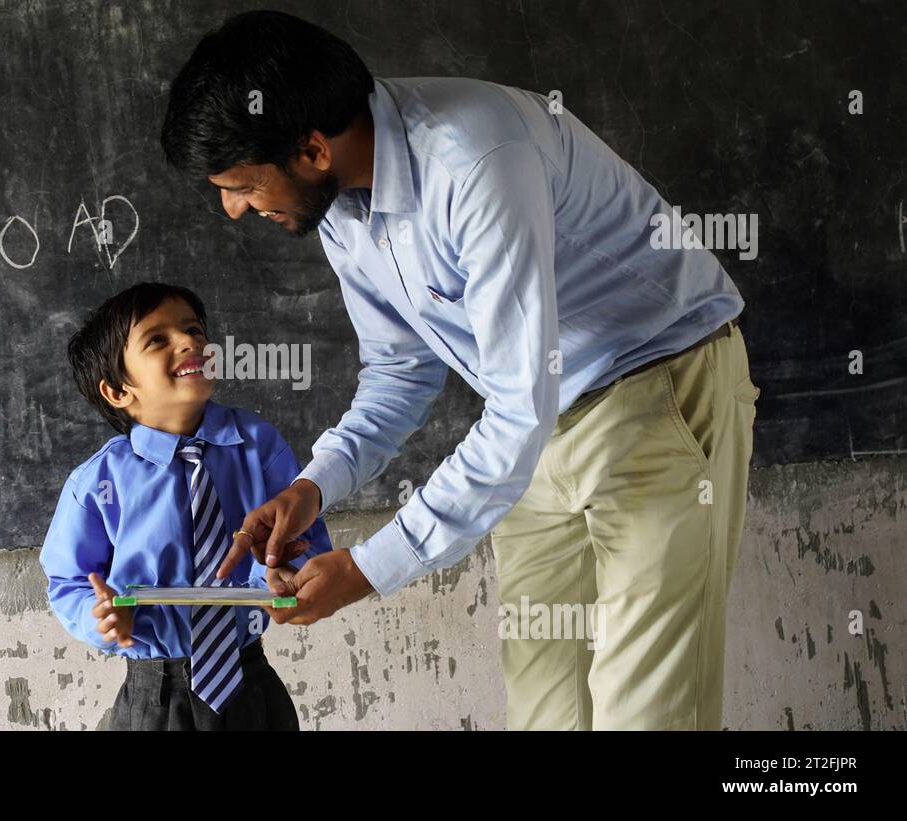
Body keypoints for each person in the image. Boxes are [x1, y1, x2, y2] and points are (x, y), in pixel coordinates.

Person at [160, 10, 760, 730]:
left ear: (312, 148)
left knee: (648, 712)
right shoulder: (342, 207)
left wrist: (365, 569)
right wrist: (314, 486)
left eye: (239, 184)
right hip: (536, 437)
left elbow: (514, 406)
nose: (232, 208)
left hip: (658, 391)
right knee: (545, 708)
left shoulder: (474, 161)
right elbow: (398, 371)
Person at [40, 281, 332, 730]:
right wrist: (99, 616)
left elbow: (304, 537)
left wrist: (278, 577)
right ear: (118, 391)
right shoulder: (98, 482)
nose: (190, 342)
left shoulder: (258, 445)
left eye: (194, 330)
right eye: (157, 339)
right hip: (154, 697)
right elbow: (69, 581)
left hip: (249, 683)